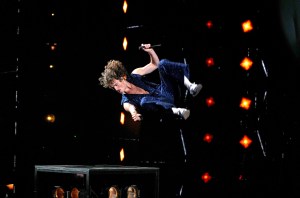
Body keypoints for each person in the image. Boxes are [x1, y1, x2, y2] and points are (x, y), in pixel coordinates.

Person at [98, 43, 203, 122]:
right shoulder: (126, 101)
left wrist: (150, 51)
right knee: (143, 101)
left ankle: (191, 86)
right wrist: (134, 114)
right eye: (113, 87)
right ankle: (178, 111)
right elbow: (130, 108)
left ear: (122, 77)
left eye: (116, 84)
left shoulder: (135, 74)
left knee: (162, 64)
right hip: (163, 107)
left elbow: (155, 64)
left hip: (166, 91)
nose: (116, 89)